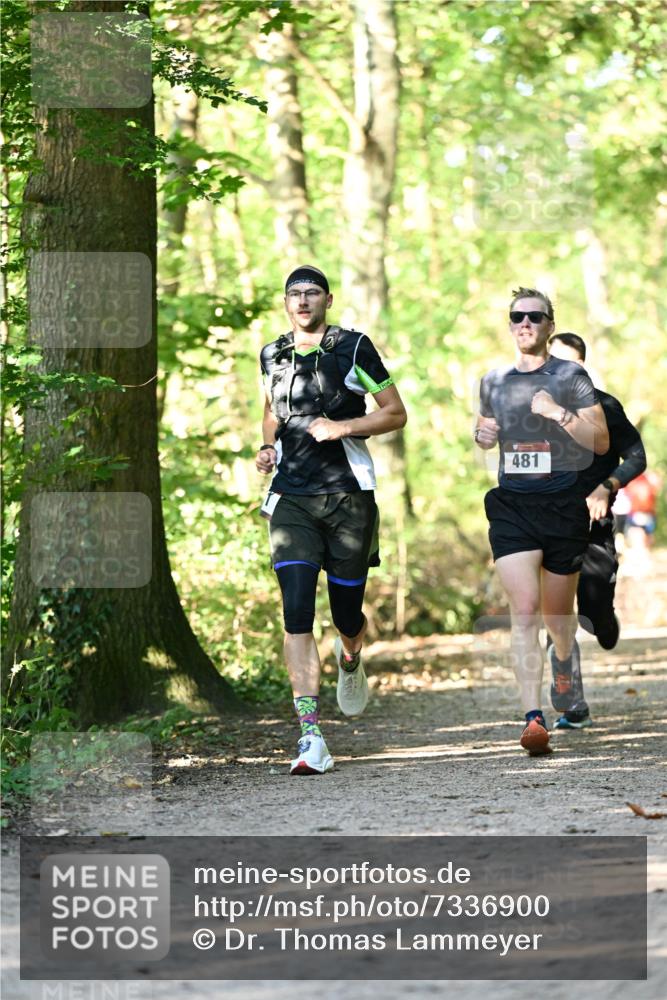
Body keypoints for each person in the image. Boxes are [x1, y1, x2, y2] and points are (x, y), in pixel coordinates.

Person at [256, 265, 407, 775]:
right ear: (285, 303)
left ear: (328, 299)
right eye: (294, 294)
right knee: (297, 611)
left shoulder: (354, 348)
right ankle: (310, 736)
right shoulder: (272, 354)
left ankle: (351, 653)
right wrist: (267, 448)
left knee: (346, 614)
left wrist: (342, 427)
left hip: (348, 497)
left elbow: (395, 412)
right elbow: (271, 412)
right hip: (291, 499)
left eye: (312, 293)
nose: (303, 301)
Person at [475, 287, 609, 755]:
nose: (526, 323)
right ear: (510, 324)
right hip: (512, 507)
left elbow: (599, 441)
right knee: (525, 610)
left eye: (535, 316)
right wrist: (482, 434)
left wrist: (558, 412)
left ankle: (564, 661)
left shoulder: (571, 375)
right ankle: (533, 718)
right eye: (518, 316)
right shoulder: (493, 381)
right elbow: (485, 432)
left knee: (557, 616)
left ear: (551, 325)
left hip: (562, 507)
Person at [548, 334, 647, 679]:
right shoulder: (536, 411)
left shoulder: (605, 406)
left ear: (581, 366)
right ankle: (565, 685)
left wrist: (606, 488)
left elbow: (637, 457)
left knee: (593, 613)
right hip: (550, 524)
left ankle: (605, 620)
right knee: (555, 611)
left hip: (593, 525)